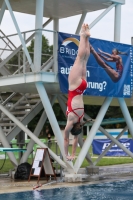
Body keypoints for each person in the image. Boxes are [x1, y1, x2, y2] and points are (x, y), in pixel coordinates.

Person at [64, 24, 91, 161]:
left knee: (84, 59)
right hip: (75, 88)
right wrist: (70, 154)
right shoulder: (73, 120)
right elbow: (71, 138)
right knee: (80, 59)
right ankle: (83, 35)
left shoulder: (77, 120)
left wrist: (70, 154)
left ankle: (86, 37)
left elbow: (71, 137)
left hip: (81, 88)